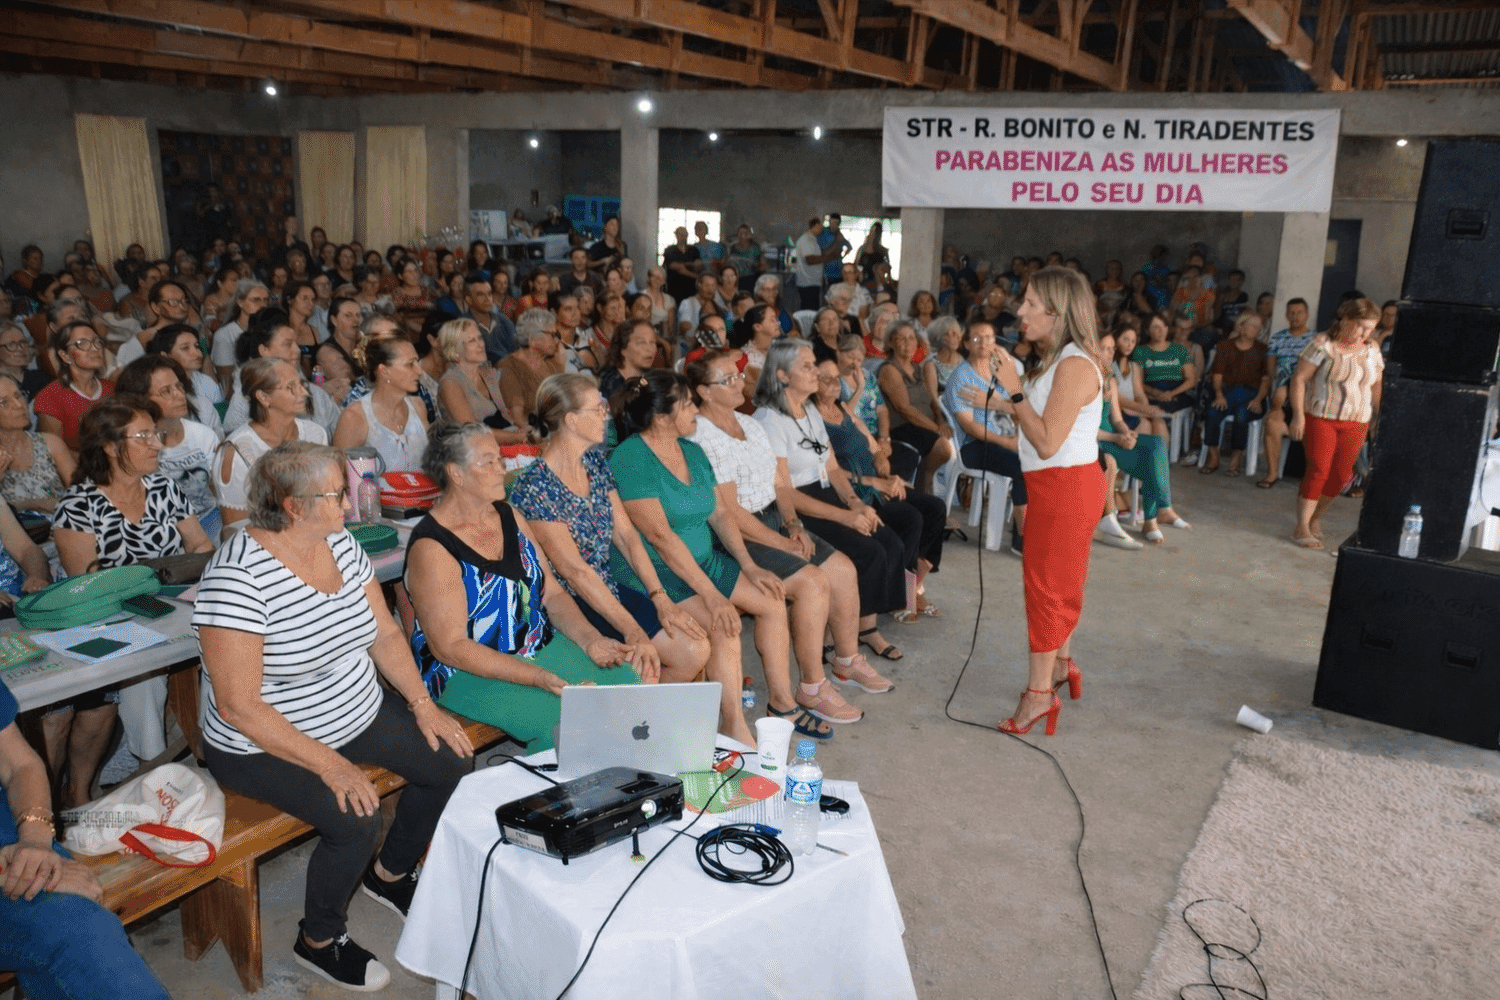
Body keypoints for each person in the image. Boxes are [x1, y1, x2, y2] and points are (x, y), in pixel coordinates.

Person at [195, 441, 472, 991]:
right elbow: (239, 706)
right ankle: (318, 939)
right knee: (355, 818)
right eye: (338, 494)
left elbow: (386, 635)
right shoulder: (237, 579)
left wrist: (423, 706)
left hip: (355, 711)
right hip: (262, 744)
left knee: (450, 759)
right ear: (293, 506)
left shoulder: (339, 542)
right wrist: (329, 764)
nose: (349, 505)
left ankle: (390, 876)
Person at [512, 375, 752, 733]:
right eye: (598, 408)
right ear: (572, 420)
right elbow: (574, 572)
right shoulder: (535, 486)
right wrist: (633, 630)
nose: (607, 415)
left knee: (694, 649)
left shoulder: (593, 461)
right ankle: (629, 730)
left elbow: (627, 536)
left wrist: (660, 599)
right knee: (649, 659)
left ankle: (638, 725)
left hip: (606, 586)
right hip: (571, 602)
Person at [406, 422, 645, 750]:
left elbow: (553, 594)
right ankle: (562, 795)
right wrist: (536, 676)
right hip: (467, 670)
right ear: (455, 474)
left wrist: (591, 640)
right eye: (488, 462)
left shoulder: (509, 516)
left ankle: (623, 783)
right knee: (564, 721)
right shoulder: (433, 547)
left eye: (500, 460)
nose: (501, 469)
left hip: (535, 645)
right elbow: (451, 647)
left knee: (624, 682)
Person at [609, 372, 824, 735]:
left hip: (704, 563)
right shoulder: (631, 457)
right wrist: (713, 595)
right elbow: (660, 537)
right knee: (721, 623)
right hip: (661, 573)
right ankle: (734, 724)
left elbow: (721, 513)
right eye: (688, 403)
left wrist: (750, 565)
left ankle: (782, 704)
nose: (696, 409)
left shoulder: (691, 450)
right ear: (663, 416)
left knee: (771, 599)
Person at [688, 352, 888, 718]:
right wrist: (782, 541)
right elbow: (728, 511)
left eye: (737, 376)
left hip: (773, 517)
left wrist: (793, 525)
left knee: (842, 568)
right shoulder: (701, 434)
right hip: (736, 532)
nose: (739, 382)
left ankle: (846, 661)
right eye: (727, 380)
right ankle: (812, 687)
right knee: (811, 582)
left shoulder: (749, 424)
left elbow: (780, 482)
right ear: (703, 391)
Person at [51, 397, 214, 788]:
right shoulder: (78, 505)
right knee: (143, 669)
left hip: (170, 603)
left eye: (155, 434)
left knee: (224, 635)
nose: (157, 443)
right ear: (109, 445)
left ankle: (218, 746)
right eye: (143, 436)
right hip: (112, 616)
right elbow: (86, 588)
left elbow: (201, 547)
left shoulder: (163, 487)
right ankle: (153, 768)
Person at [0, 676, 172, 999]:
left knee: (82, 931)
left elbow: (19, 764)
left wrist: (36, 841)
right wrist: (15, 871)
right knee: (77, 929)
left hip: (14, 837)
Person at [990, 267, 1105, 737]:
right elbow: (1048, 419)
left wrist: (1013, 389)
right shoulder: (1064, 361)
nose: (1021, 311)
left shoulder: (1075, 365)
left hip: (1063, 485)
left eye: (1031, 303)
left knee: (1046, 588)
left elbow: (1046, 440)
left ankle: (1039, 695)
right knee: (1060, 582)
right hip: (1063, 484)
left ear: (1058, 313)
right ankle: (1060, 665)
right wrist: (1002, 399)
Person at [754, 340, 912, 662]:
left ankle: (865, 628)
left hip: (826, 490)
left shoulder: (810, 409)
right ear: (783, 376)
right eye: (807, 367)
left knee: (889, 542)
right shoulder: (770, 420)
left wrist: (854, 503)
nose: (817, 373)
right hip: (797, 503)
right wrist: (844, 517)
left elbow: (832, 467)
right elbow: (783, 490)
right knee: (867, 550)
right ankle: (843, 637)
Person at [812, 358, 948, 621]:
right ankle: (899, 594)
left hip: (877, 480)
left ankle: (913, 583)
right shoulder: (813, 418)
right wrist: (875, 482)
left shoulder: (842, 407)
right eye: (825, 379)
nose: (835, 384)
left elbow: (868, 438)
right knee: (911, 517)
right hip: (856, 489)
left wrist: (882, 461)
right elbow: (829, 471)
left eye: (836, 378)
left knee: (935, 508)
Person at [1288, 297, 1384, 549]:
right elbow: (1299, 379)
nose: (1364, 333)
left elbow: (1376, 385)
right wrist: (1298, 414)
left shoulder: (1372, 348)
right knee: (1319, 469)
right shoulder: (1323, 344)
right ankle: (1301, 527)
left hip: (1357, 420)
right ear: (1345, 320)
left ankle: (1316, 517)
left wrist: (1380, 416)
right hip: (1322, 417)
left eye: (1369, 329)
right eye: (1360, 326)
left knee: (1342, 475)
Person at [943, 320, 1030, 555]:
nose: (984, 343)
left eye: (990, 337)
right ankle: (1022, 539)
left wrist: (998, 404)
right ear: (966, 344)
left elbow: (1021, 406)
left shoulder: (998, 371)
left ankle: (1038, 531)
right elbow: (969, 426)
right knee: (1024, 465)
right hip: (974, 447)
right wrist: (1007, 443)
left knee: (1043, 460)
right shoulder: (962, 377)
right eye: (977, 338)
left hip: (1005, 437)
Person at [216, 358, 329, 538]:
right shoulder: (238, 450)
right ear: (264, 397)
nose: (303, 392)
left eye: (301, 384)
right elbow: (233, 528)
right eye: (290, 387)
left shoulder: (315, 434)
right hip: (263, 547)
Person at [1093, 332, 1188, 544]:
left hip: (1114, 435)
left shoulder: (1110, 380)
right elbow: (1082, 427)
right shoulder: (1084, 380)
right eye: (1104, 348)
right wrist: (1117, 438)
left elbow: (1116, 418)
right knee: (1150, 463)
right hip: (1097, 440)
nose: (1109, 353)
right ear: (1092, 349)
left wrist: (1126, 432)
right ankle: (1154, 518)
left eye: (1111, 349)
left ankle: (1158, 514)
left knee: (1157, 443)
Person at [115, 356, 224, 541]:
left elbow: (218, 491)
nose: (179, 394)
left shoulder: (202, 435)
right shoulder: (132, 445)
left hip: (209, 519)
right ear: (140, 399)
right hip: (158, 532)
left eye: (179, 386)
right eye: (166, 391)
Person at [333, 334, 430, 472]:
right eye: (410, 364)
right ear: (384, 371)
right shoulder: (355, 417)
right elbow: (340, 473)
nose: (419, 371)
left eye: (417, 362)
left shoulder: (418, 406)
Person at [878, 321, 952, 494]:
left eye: (911, 338)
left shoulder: (918, 369)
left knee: (952, 438)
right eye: (901, 339)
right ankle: (924, 481)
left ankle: (924, 479)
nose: (907, 343)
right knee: (943, 447)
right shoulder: (890, 369)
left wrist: (941, 421)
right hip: (903, 427)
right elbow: (904, 408)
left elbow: (933, 401)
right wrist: (936, 428)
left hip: (923, 426)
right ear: (891, 343)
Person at [1201, 312, 1270, 477]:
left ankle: (1236, 457)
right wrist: (1218, 394)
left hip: (1252, 394)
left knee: (1241, 415)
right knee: (1212, 412)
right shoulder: (1225, 346)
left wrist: (1259, 399)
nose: (1257, 329)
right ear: (1241, 327)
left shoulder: (1262, 349)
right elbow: (1217, 375)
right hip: (1228, 392)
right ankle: (1213, 454)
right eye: (1253, 326)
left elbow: (1266, 379)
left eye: (1259, 327)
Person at [1257, 298, 1315, 489]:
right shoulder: (1277, 338)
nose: (1295, 316)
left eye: (1299, 312)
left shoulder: (1316, 340)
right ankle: (1272, 473)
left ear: (1307, 315)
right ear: (1286, 315)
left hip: (1308, 396)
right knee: (1272, 422)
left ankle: (1311, 477)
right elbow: (1272, 371)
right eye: (1291, 312)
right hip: (1282, 394)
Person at [0, 372, 75, 516]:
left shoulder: (49, 443)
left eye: (18, 395)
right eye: (4, 402)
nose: (19, 405)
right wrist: (34, 503)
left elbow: (82, 494)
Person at [35, 320, 115, 454]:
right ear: (65, 356)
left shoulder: (112, 389)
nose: (95, 348)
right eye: (82, 343)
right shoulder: (50, 398)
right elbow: (55, 453)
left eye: (97, 341)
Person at [147, 323, 224, 433]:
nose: (197, 353)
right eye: (185, 348)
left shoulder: (206, 382)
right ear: (165, 355)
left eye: (197, 346)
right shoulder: (154, 385)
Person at [1132, 311, 1197, 415]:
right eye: (1156, 327)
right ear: (1147, 331)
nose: (1161, 330)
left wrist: (1171, 394)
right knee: (1154, 408)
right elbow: (1138, 381)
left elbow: (1191, 380)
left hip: (1177, 393)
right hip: (1152, 392)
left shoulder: (1179, 350)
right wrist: (1155, 393)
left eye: (1164, 326)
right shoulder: (1141, 351)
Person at [793, 218, 831, 311]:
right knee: (809, 310)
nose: (821, 229)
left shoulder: (813, 239)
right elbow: (810, 260)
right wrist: (829, 258)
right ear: (813, 227)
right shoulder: (806, 240)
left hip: (812, 281)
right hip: (807, 282)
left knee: (813, 310)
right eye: (819, 227)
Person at [662, 226, 701, 305]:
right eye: (680, 234)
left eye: (684, 234)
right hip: (674, 288)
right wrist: (695, 274)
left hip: (691, 289)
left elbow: (698, 265)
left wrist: (685, 266)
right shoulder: (670, 249)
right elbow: (673, 266)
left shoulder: (693, 249)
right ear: (676, 235)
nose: (682, 237)